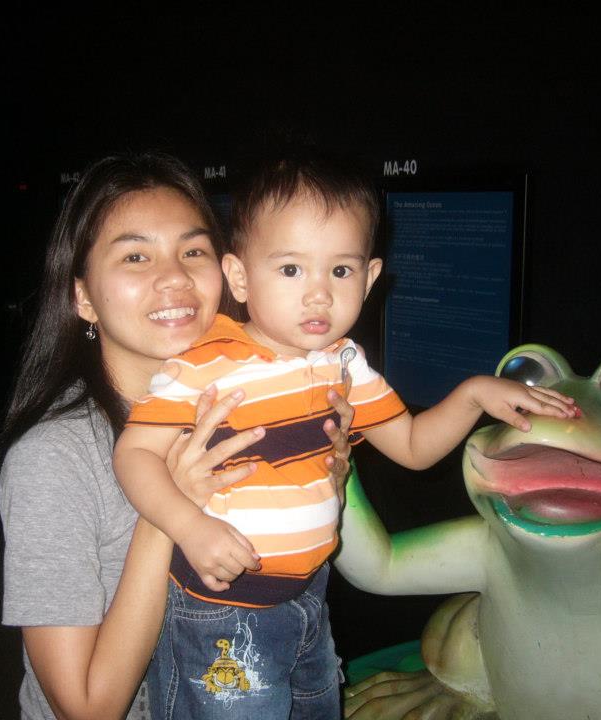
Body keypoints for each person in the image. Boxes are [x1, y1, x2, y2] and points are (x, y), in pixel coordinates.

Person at [112, 152, 577, 719]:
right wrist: (189, 526)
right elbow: (135, 454)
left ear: (370, 277)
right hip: (224, 610)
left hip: (309, 596)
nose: (319, 295)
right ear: (239, 276)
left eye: (340, 271)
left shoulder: (346, 365)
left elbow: (412, 447)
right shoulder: (205, 363)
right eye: (291, 270)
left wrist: (473, 395)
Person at [0, 151, 356, 720]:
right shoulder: (54, 460)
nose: (174, 278)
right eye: (135, 256)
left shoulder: (251, 395)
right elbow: (86, 709)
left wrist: (329, 479)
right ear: (83, 297)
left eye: (193, 251)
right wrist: (170, 508)